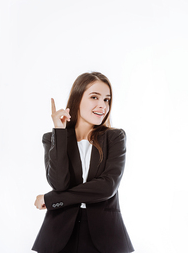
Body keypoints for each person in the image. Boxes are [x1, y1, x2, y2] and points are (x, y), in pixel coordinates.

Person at [32, 72, 134, 253]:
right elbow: (59, 183)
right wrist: (59, 131)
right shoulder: (53, 138)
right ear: (78, 99)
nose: (102, 106)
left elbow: (107, 187)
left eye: (106, 100)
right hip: (59, 235)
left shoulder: (115, 137)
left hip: (105, 237)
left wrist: (52, 199)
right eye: (95, 97)